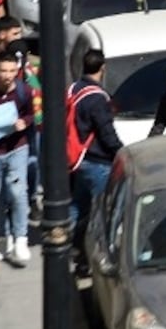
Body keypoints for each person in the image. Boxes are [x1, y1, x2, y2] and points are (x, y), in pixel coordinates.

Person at [67, 49, 121, 265]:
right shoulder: (97, 98)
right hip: (98, 162)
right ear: (103, 68)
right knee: (101, 212)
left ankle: (66, 244)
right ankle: (92, 256)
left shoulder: (74, 88)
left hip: (77, 159)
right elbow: (106, 134)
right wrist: (120, 151)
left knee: (78, 206)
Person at [0, 52, 35, 264]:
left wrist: (25, 122)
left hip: (17, 149)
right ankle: (4, 239)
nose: (7, 76)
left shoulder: (24, 92)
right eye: (3, 71)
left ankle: (21, 237)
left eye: (12, 71)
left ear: (17, 71)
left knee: (18, 192)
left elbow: (31, 114)